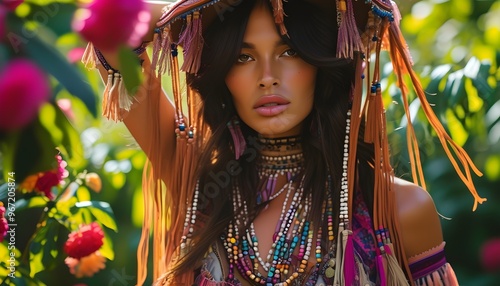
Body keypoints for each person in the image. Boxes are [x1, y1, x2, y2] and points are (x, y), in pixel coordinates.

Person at [83, 0, 486, 285]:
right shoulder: (201, 184)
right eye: (243, 57)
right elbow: (112, 29)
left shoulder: (399, 210)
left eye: (289, 51)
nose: (267, 76)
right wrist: (189, 11)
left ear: (323, 64)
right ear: (222, 74)